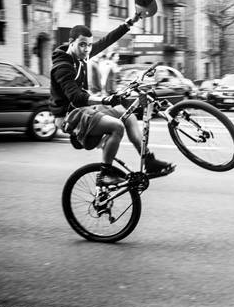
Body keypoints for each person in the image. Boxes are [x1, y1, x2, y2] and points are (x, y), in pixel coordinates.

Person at [50, 24, 174, 187]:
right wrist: (104, 100)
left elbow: (106, 41)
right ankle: (105, 174)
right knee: (117, 127)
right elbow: (76, 96)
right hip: (68, 115)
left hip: (82, 108)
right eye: (82, 44)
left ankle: (148, 160)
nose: (87, 49)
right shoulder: (62, 67)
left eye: (89, 45)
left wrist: (130, 23)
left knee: (127, 115)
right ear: (71, 42)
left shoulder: (83, 54)